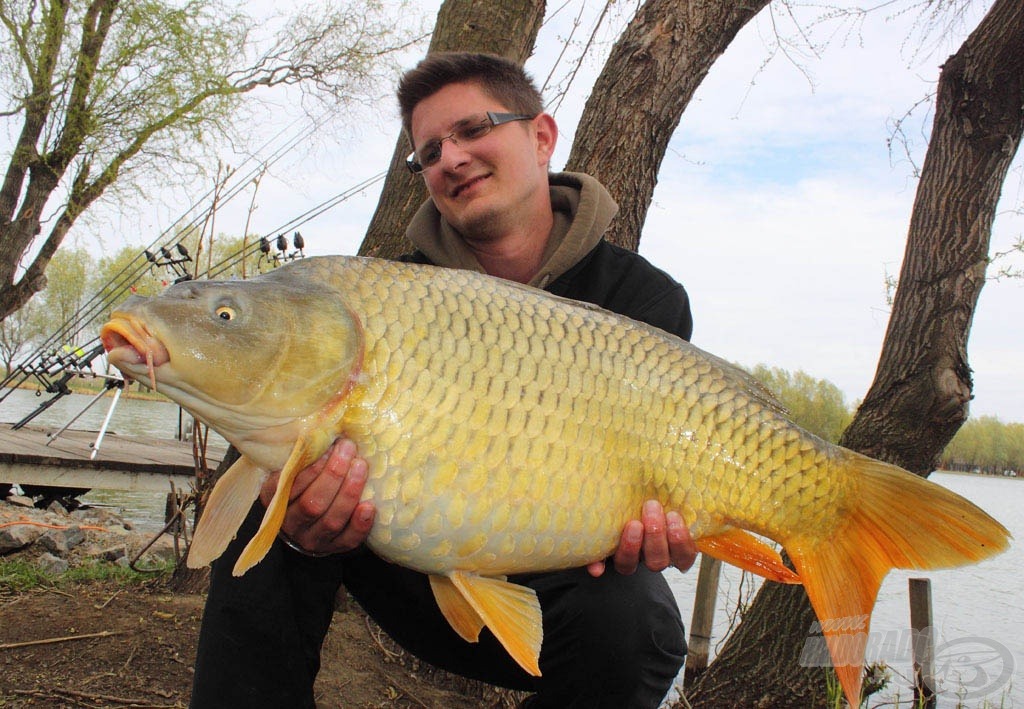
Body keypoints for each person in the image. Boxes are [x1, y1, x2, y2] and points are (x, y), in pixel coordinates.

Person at [191, 52, 697, 709]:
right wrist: (299, 532)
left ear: (542, 135)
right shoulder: (393, 297)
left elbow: (657, 489)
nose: (450, 159)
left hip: (556, 578)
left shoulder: (641, 297)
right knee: (269, 494)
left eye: (472, 129)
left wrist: (659, 530)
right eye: (429, 152)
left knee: (640, 620)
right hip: (402, 560)